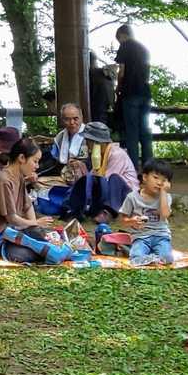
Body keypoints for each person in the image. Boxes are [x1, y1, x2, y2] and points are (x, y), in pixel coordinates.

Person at [0, 139, 63, 264]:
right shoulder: (3, 181)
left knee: (46, 238)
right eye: (35, 161)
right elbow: (12, 218)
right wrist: (34, 223)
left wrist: (34, 228)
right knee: (29, 254)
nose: (37, 166)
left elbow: (27, 206)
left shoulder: (18, 177)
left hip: (13, 232)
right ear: (21, 158)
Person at [61, 121, 136, 248]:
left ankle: (108, 212)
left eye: (89, 141)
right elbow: (92, 177)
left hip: (123, 194)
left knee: (113, 179)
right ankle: (73, 209)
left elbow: (105, 180)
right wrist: (81, 169)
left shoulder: (116, 154)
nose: (87, 144)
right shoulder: (99, 155)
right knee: (86, 180)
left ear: (97, 142)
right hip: (106, 191)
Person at [113, 24, 154, 167]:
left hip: (130, 92)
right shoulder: (144, 49)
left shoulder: (125, 46)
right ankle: (149, 166)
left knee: (132, 131)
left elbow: (122, 71)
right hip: (145, 92)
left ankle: (133, 166)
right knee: (145, 130)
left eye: (119, 39)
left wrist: (118, 87)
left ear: (122, 35)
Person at [120, 161, 174, 267]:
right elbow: (123, 220)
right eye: (156, 177)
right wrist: (132, 221)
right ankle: (150, 256)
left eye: (164, 180)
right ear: (145, 177)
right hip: (140, 236)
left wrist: (163, 192)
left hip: (161, 236)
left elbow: (165, 215)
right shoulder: (132, 197)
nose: (159, 183)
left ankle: (151, 257)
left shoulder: (166, 197)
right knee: (136, 256)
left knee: (167, 258)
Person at [87, 51, 115, 138]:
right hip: (109, 106)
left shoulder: (91, 73)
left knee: (98, 130)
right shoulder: (104, 72)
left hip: (98, 106)